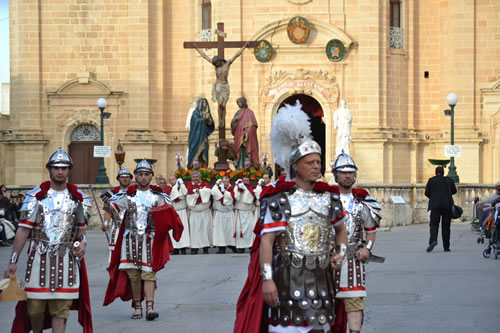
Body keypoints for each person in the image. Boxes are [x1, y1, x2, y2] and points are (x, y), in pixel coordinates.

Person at [235, 101, 349, 333]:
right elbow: (267, 240)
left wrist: (341, 254)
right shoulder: (279, 200)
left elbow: (341, 230)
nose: (317, 167)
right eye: (310, 163)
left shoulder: (329, 198)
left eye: (318, 162)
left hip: (321, 280)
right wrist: (267, 279)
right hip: (287, 279)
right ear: (296, 166)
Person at [4, 148, 93, 333]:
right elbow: (23, 230)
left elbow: (81, 229)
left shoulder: (78, 198)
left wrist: (82, 242)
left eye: (64, 167)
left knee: (61, 311)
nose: (60, 171)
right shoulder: (35, 197)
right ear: (49, 169)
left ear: (69, 170)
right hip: (38, 260)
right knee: (35, 309)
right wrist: (13, 260)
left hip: (67, 260)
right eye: (56, 167)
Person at [103, 159, 183, 321]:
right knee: (134, 275)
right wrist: (106, 204)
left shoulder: (159, 196)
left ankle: (150, 307)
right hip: (130, 240)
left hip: (151, 240)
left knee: (149, 274)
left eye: (146, 174)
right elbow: (113, 209)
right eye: (140, 174)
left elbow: (170, 215)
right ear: (136, 176)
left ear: (151, 176)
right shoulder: (128, 196)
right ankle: (138, 306)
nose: (144, 177)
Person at [331, 152, 382, 333]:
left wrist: (367, 249)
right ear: (335, 174)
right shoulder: (325, 200)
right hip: (326, 260)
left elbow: (370, 232)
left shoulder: (362, 204)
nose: (347, 175)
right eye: (343, 172)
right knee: (322, 304)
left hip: (353, 260)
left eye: (351, 172)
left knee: (354, 302)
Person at [193, 41, 251, 128]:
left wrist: (245, 46)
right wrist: (196, 48)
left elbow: (236, 55)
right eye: (215, 64)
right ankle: (220, 121)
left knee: (224, 106)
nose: (216, 65)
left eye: (217, 63)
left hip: (225, 87)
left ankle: (223, 121)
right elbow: (205, 56)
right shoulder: (216, 66)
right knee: (220, 104)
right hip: (218, 86)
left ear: (220, 61)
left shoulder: (227, 64)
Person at [102, 168, 133, 263]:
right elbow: (108, 210)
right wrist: (106, 223)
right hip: (117, 227)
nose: (124, 179)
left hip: (132, 227)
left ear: (130, 179)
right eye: (122, 177)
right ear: (118, 179)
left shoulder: (134, 193)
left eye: (127, 177)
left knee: (131, 254)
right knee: (115, 254)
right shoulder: (113, 195)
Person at [425, 166, 457, 252]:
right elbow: (454, 191)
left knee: (434, 224)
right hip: (447, 205)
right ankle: (446, 247)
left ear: (435, 173)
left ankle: (433, 240)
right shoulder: (448, 180)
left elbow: (426, 192)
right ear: (443, 172)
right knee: (446, 226)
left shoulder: (431, 180)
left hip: (435, 205)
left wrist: (434, 197)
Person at [185, 170, 212, 254]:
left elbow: (209, 192)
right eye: (194, 177)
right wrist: (196, 194)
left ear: (200, 177)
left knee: (205, 228)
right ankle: (195, 247)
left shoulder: (205, 185)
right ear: (191, 178)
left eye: (197, 176)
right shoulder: (189, 185)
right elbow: (188, 196)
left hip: (204, 210)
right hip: (194, 210)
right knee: (194, 230)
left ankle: (205, 247)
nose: (195, 178)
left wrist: (200, 191)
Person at [165, 174, 191, 255]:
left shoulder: (181, 186)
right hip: (174, 211)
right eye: (170, 179)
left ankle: (183, 247)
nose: (171, 181)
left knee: (183, 229)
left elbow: (185, 193)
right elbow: (170, 197)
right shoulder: (168, 188)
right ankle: (175, 248)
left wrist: (181, 185)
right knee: (174, 230)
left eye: (173, 179)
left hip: (182, 210)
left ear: (176, 179)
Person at [231, 97, 260, 168]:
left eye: (240, 102)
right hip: (239, 135)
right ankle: (240, 166)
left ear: (244, 102)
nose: (239, 104)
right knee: (241, 153)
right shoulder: (238, 112)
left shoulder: (250, 112)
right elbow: (233, 125)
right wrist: (234, 120)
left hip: (248, 138)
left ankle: (250, 166)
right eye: (238, 103)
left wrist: (247, 133)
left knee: (247, 152)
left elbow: (253, 126)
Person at [211, 176, 237, 254]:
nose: (226, 183)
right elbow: (213, 192)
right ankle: (221, 247)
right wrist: (216, 185)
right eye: (224, 182)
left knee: (230, 230)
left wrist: (224, 192)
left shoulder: (231, 189)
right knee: (220, 231)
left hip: (228, 212)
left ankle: (232, 246)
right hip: (219, 212)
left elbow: (231, 198)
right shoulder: (217, 188)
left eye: (227, 182)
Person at [187, 98, 215, 168]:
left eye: (205, 103)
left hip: (204, 137)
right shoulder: (195, 113)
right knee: (195, 153)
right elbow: (195, 121)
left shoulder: (207, 113)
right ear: (200, 104)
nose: (204, 104)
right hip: (195, 138)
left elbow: (211, 125)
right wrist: (204, 119)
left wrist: (209, 120)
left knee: (204, 152)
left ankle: (203, 168)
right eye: (203, 102)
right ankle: (193, 167)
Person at [233, 175, 256, 253]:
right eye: (244, 180)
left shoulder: (251, 189)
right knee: (239, 230)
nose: (246, 182)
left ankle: (250, 245)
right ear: (242, 181)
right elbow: (236, 197)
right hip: (240, 212)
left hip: (248, 212)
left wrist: (245, 190)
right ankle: (241, 247)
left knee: (250, 229)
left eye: (247, 180)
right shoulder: (237, 187)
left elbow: (251, 199)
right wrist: (239, 189)